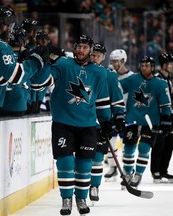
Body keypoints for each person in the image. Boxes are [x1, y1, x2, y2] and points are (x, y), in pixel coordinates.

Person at [34, 35, 112, 215]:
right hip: (63, 123)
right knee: (66, 162)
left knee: (85, 164)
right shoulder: (63, 64)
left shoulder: (99, 72)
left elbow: (101, 100)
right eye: (79, 46)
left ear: (90, 50)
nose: (81, 50)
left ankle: (81, 198)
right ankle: (66, 198)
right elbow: (42, 83)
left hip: (87, 125)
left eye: (85, 47)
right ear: (75, 48)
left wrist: (106, 121)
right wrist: (45, 62)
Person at [119, 56, 172, 188]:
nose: (144, 68)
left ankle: (138, 174)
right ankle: (127, 174)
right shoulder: (132, 79)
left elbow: (166, 105)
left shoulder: (160, 84)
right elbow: (118, 89)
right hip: (132, 120)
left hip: (150, 122)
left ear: (152, 67)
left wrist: (166, 120)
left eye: (147, 66)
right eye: (142, 65)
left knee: (143, 148)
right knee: (128, 149)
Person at [88, 43, 125, 203]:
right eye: (92, 54)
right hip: (80, 121)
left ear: (103, 58)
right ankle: (81, 185)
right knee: (81, 157)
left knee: (97, 157)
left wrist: (118, 117)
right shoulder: (80, 71)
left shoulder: (109, 75)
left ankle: (94, 186)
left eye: (98, 55)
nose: (94, 57)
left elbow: (117, 98)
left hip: (100, 123)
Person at [151, 53, 173, 183]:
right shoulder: (156, 80)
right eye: (170, 63)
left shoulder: (171, 80)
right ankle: (156, 171)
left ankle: (164, 171)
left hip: (170, 118)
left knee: (169, 145)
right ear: (164, 65)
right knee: (159, 144)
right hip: (159, 117)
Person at [104, 49, 134, 183]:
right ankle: (113, 167)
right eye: (112, 61)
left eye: (116, 61)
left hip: (128, 115)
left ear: (123, 61)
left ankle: (128, 170)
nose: (113, 64)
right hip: (113, 114)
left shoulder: (132, 77)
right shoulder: (110, 75)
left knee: (127, 144)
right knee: (110, 141)